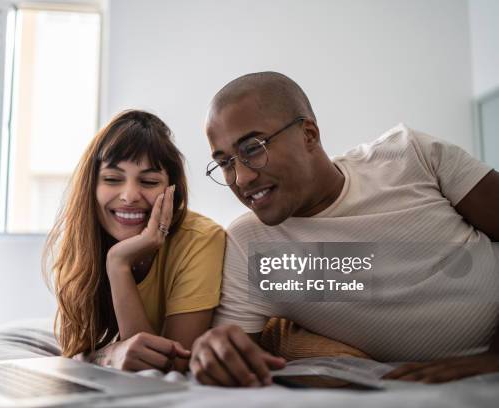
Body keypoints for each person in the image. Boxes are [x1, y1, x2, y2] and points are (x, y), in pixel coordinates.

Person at [190, 71, 499, 386]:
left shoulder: (411, 155)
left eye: (252, 148)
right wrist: (214, 350)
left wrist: (493, 358)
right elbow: (235, 356)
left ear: (309, 134)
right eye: (225, 162)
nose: (241, 179)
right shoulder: (248, 243)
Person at [44, 110, 225, 373]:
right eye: (112, 179)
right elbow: (76, 352)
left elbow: (170, 363)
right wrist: (108, 354)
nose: (129, 196)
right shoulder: (84, 241)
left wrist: (118, 263)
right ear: (91, 187)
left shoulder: (201, 239)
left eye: (149, 181)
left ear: (171, 189)